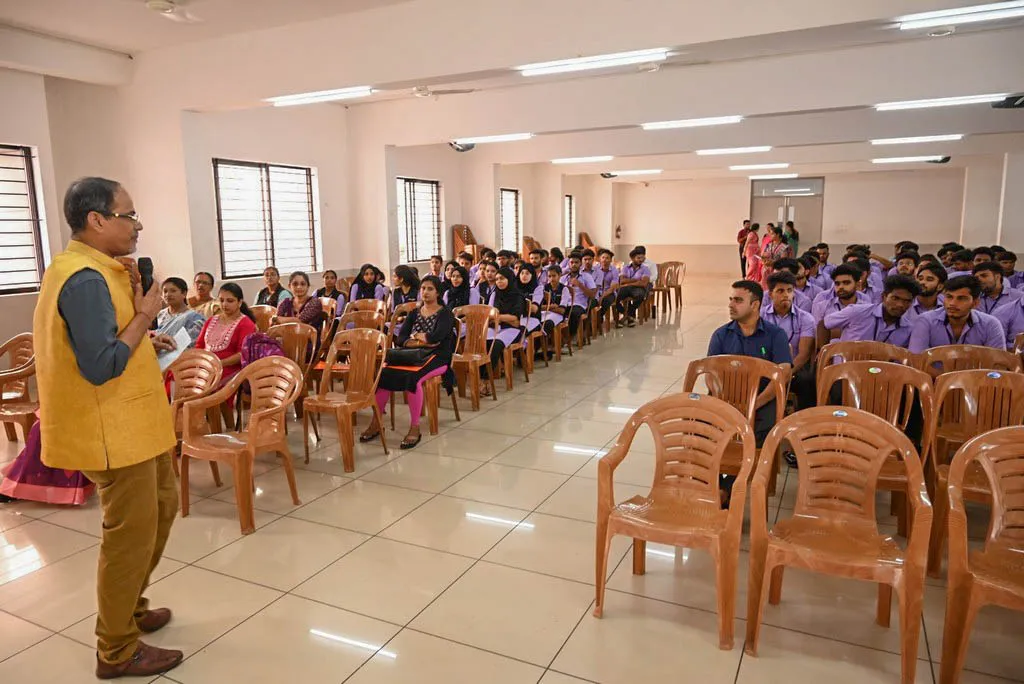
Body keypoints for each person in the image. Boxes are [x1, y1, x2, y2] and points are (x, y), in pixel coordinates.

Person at [33, 177, 182, 677]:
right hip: (114, 432)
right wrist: (145, 316)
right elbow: (100, 365)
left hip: (137, 423)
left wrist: (143, 334)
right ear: (96, 220)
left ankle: (130, 607)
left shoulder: (101, 269)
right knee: (129, 538)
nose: (137, 225)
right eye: (128, 215)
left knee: (162, 510)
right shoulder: (84, 279)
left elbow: (106, 341)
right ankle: (117, 648)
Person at [707, 280, 792, 505]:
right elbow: (710, 374)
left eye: (738, 300)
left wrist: (754, 404)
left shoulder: (775, 335)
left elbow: (783, 372)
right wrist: (726, 403)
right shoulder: (721, 335)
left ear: (755, 305)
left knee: (759, 434)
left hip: (762, 401)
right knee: (702, 430)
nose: (731, 305)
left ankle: (727, 489)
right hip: (726, 401)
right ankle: (715, 487)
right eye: (730, 299)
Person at [360, 276, 455, 450]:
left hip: (438, 357)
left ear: (438, 292)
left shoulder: (445, 313)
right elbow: (401, 338)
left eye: (430, 289)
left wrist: (422, 339)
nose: (425, 292)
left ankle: (415, 427)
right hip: (412, 354)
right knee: (384, 374)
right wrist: (419, 340)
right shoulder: (414, 313)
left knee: (413, 378)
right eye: (423, 288)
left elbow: (437, 338)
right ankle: (377, 422)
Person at [908, 275, 1006, 353]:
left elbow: (997, 363)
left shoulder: (990, 324)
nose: (952, 303)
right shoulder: (926, 321)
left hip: (975, 373)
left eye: (961, 298)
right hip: (931, 373)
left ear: (975, 303)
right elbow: (917, 360)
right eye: (949, 297)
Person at [762, 271, 815, 410]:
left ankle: (804, 419)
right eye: (780, 291)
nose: (786, 295)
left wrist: (785, 373)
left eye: (789, 290)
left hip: (794, 368)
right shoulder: (760, 317)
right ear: (770, 294)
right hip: (765, 368)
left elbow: (804, 354)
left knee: (807, 381)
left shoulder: (806, 318)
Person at [823, 275, 919, 348]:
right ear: (883, 297)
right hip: (847, 366)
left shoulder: (908, 329)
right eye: (895, 298)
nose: (900, 305)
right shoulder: (857, 312)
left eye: (907, 301)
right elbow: (823, 324)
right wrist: (822, 352)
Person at [196, 283, 259, 387]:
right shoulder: (211, 320)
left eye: (230, 301)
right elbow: (199, 346)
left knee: (204, 387)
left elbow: (242, 354)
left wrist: (219, 363)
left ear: (239, 302)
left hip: (230, 371)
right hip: (207, 368)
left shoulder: (246, 324)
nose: (224, 304)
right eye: (221, 300)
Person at [481, 267, 525, 395]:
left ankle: (486, 381)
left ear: (509, 279)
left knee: (496, 345)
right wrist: (503, 318)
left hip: (513, 330)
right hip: (498, 327)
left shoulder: (518, 296)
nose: (499, 282)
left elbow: (516, 319)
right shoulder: (496, 294)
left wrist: (499, 317)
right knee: (482, 342)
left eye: (502, 278)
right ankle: (482, 377)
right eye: (497, 279)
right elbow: (492, 313)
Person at [811, 263, 869, 347]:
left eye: (846, 283)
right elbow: (817, 336)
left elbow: (865, 336)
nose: (841, 287)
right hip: (831, 353)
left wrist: (832, 331)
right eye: (837, 284)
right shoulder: (822, 307)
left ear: (857, 285)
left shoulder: (866, 308)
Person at [273, 271, 324, 342]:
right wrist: (276, 320)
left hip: (308, 342)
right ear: (289, 286)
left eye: (303, 284)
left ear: (308, 286)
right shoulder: (285, 303)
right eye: (295, 284)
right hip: (287, 340)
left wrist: (278, 319)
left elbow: (299, 321)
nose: (299, 287)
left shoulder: (314, 302)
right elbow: (276, 324)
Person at [973, 261, 1024, 330]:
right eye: (976, 278)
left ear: (997, 276)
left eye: (984, 276)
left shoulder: (1018, 296)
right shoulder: (974, 298)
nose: (979, 279)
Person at [155, 277, 206, 346]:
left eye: (173, 291)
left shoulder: (194, 318)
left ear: (184, 293)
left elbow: (191, 343)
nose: (168, 294)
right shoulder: (159, 314)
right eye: (165, 291)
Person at [560, 251, 596, 337]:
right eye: (572, 262)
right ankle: (557, 338)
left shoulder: (587, 276)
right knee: (555, 314)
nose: (574, 265)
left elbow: (592, 295)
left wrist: (580, 285)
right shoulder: (563, 278)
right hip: (564, 304)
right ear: (568, 264)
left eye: (576, 262)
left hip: (578, 305)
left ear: (580, 264)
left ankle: (569, 337)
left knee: (573, 313)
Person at [616, 248, 651, 327]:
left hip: (638, 288)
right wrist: (637, 280)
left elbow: (644, 283)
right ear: (632, 258)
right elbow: (622, 281)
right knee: (615, 295)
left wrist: (628, 283)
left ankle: (628, 314)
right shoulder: (625, 268)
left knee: (641, 295)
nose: (641, 260)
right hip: (626, 288)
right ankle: (627, 315)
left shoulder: (645, 269)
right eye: (638, 258)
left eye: (642, 258)